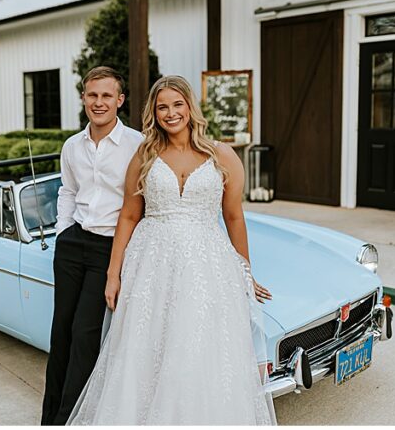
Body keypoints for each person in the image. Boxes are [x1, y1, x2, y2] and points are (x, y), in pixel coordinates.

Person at [67, 75, 276, 425]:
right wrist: (113, 274)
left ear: (190, 107)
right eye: (162, 106)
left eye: (177, 104)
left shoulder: (221, 154)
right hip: (151, 265)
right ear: (154, 112)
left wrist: (244, 271)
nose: (170, 113)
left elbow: (234, 217)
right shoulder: (145, 155)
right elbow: (130, 215)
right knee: (147, 350)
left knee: (199, 350)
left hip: (206, 266)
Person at [41, 66, 144, 425]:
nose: (98, 103)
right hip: (73, 243)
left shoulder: (138, 145)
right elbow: (68, 192)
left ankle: (70, 419)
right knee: (61, 331)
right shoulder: (72, 146)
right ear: (83, 98)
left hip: (109, 247)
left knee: (85, 334)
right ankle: (50, 417)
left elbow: (141, 203)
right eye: (92, 95)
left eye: (106, 96)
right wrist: (60, 234)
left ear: (120, 100)